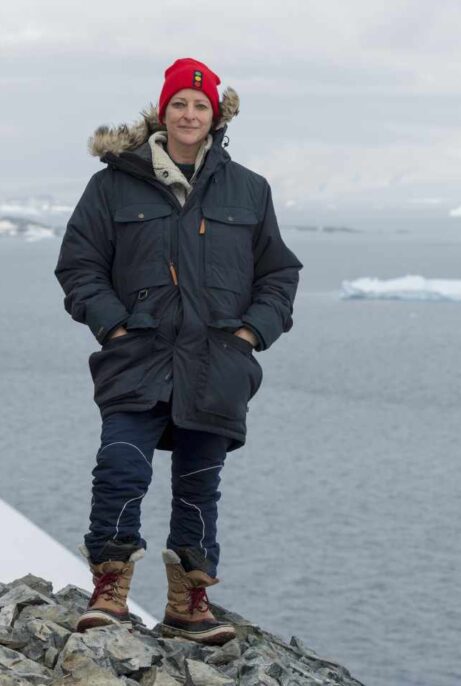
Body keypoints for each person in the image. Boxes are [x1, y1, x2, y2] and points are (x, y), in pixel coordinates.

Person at [54, 57, 302, 645]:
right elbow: (79, 266)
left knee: (199, 483)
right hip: (136, 356)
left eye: (200, 105)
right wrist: (114, 327)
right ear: (161, 112)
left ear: (215, 116)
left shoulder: (249, 188)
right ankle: (109, 590)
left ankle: (189, 604)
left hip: (216, 364)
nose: (189, 114)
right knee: (120, 468)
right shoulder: (113, 184)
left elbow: (279, 275)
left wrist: (250, 335)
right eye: (178, 104)